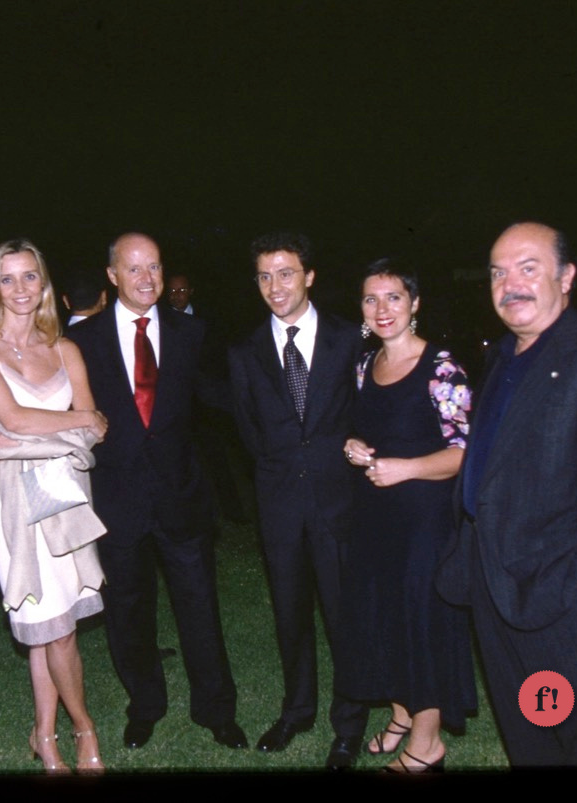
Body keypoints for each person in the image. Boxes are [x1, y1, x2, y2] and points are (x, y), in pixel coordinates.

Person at [437, 222, 577, 766]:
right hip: (495, 583)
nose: (510, 284)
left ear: (567, 277)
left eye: (528, 268)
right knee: (529, 738)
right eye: (498, 272)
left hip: (566, 595)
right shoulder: (502, 358)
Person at [69, 232, 247, 751]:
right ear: (112, 275)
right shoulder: (83, 341)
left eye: (155, 267)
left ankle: (217, 710)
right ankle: (145, 706)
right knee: (128, 611)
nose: (147, 279)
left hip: (181, 497)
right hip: (117, 501)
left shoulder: (192, 332)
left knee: (200, 608)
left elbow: (221, 395)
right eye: (134, 269)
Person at [0, 239, 110, 775]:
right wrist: (73, 424)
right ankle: (85, 727)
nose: (19, 288)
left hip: (66, 493)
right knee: (51, 623)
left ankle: (44, 736)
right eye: (7, 278)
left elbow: (95, 432)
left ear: (44, 283)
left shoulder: (66, 349)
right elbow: (16, 418)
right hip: (12, 498)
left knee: (55, 623)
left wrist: (32, 439)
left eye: (29, 276)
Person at [227, 232, 369, 768]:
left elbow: (363, 411)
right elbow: (249, 429)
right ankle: (297, 710)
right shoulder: (244, 352)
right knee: (290, 614)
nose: (275, 287)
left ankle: (349, 724)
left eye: (286, 273)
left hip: (339, 500)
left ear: (309, 276)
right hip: (280, 502)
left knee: (343, 615)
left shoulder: (348, 338)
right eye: (264, 276)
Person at [337, 259, 476, 772]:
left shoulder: (441, 366)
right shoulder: (365, 364)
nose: (382, 309)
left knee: (422, 623)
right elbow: (371, 429)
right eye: (371, 299)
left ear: (414, 303)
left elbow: (467, 452)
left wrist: (406, 469)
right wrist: (354, 445)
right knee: (386, 618)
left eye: (393, 297)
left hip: (424, 521)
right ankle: (400, 714)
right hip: (377, 517)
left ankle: (426, 744)